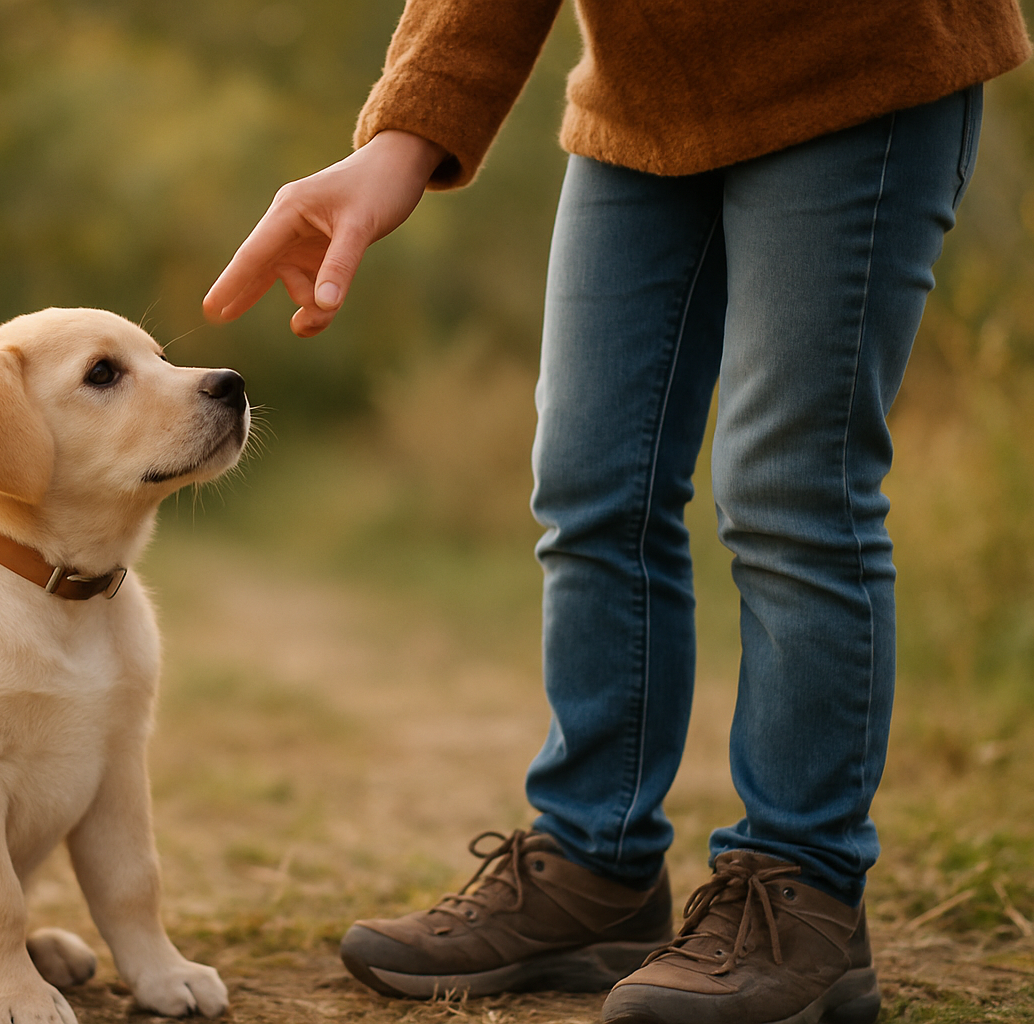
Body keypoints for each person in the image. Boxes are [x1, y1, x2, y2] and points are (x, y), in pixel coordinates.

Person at [202, 2, 1031, 1022]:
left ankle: (803, 891)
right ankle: (597, 866)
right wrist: (401, 136)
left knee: (789, 489)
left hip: (855, 61)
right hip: (643, 101)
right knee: (593, 485)